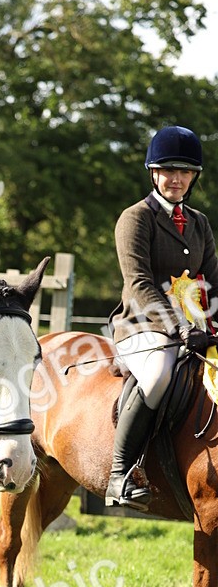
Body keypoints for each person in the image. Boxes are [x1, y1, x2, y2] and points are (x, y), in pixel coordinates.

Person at [107, 125, 218, 508]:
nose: (177, 178)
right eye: (168, 170)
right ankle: (120, 474)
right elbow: (138, 283)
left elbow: (214, 283)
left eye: (184, 171)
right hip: (141, 325)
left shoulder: (200, 223)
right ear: (153, 173)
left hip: (195, 328)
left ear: (194, 177)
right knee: (157, 376)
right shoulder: (135, 219)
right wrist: (178, 327)